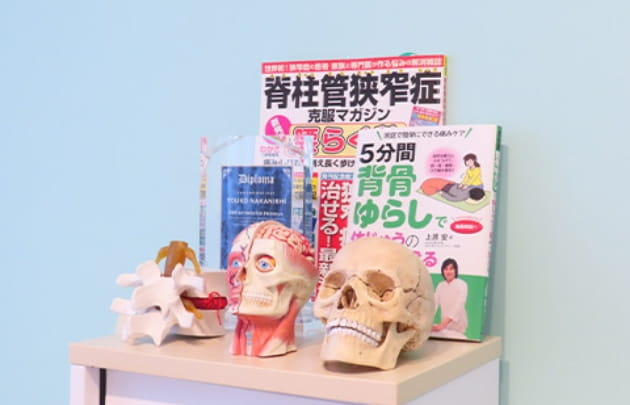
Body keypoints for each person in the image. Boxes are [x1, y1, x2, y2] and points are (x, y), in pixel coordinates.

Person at [432, 258, 468, 339]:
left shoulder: (462, 284)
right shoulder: (441, 285)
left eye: (451, 269)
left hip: (458, 326)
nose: (448, 271)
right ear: (443, 271)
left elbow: (458, 306)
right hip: (444, 327)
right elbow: (434, 304)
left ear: (455, 270)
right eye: (446, 269)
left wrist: (442, 325)